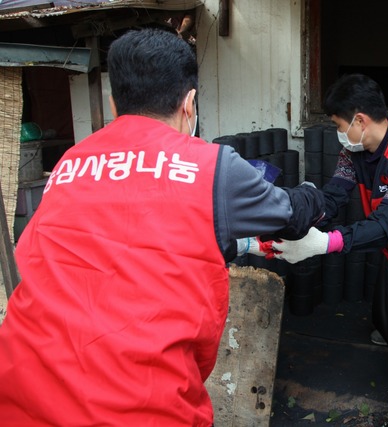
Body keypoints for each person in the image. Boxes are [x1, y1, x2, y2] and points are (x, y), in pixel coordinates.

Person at [0, 28, 324, 426]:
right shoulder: (210, 167)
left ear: (114, 102)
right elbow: (291, 218)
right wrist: (315, 196)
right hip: (139, 408)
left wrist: (230, 244)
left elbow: (124, 242)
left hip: (23, 395)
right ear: (189, 102)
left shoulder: (70, 162)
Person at [271, 74, 388, 427]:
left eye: (338, 124)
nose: (337, 132)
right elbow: (334, 197)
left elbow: (385, 223)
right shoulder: (354, 151)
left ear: (359, 120)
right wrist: (298, 214)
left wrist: (323, 244)